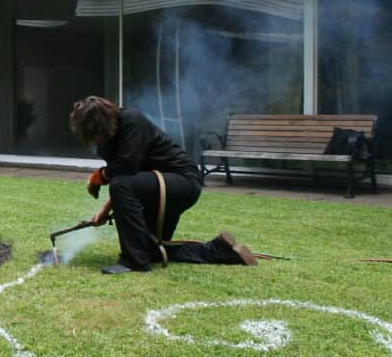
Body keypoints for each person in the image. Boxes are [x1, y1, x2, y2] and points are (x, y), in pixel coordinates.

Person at [68, 96, 257, 275]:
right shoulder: (107, 143)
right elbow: (125, 179)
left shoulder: (131, 120)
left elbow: (125, 169)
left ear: (101, 122)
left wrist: (99, 176)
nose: (93, 139)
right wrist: (104, 210)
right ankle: (219, 251)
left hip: (182, 182)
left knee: (120, 186)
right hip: (157, 189)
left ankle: (133, 261)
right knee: (149, 250)